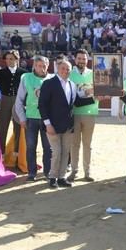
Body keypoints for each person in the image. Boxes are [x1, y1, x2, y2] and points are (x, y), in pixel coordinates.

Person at [38, 58, 94, 189]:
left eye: (68, 69)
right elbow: (42, 105)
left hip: (68, 125)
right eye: (63, 68)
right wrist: (47, 124)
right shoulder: (48, 83)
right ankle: (52, 177)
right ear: (57, 68)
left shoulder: (72, 85)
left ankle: (61, 177)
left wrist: (94, 98)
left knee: (65, 152)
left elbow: (77, 103)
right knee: (57, 152)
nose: (65, 71)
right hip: (52, 125)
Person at [15, 55, 53, 181]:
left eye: (43, 66)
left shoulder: (52, 79)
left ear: (47, 66)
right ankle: (32, 172)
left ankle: (48, 172)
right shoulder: (26, 78)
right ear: (34, 66)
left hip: (47, 119)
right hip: (30, 118)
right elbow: (19, 100)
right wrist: (22, 118)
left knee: (48, 147)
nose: (41, 68)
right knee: (31, 146)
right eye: (38, 65)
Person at [69, 49, 98, 182]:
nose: (82, 61)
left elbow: (100, 91)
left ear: (88, 60)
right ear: (75, 59)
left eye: (84, 59)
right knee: (74, 144)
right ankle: (74, 171)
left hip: (89, 113)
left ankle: (87, 172)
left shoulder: (94, 74)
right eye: (79, 58)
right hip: (73, 114)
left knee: (87, 144)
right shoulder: (69, 74)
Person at [0, 50, 26, 155]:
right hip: (4, 100)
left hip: (18, 100)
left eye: (11, 59)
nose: (8, 61)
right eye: (7, 59)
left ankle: (17, 154)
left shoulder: (24, 73)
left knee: (18, 127)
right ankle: (1, 153)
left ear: (17, 59)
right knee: (2, 127)